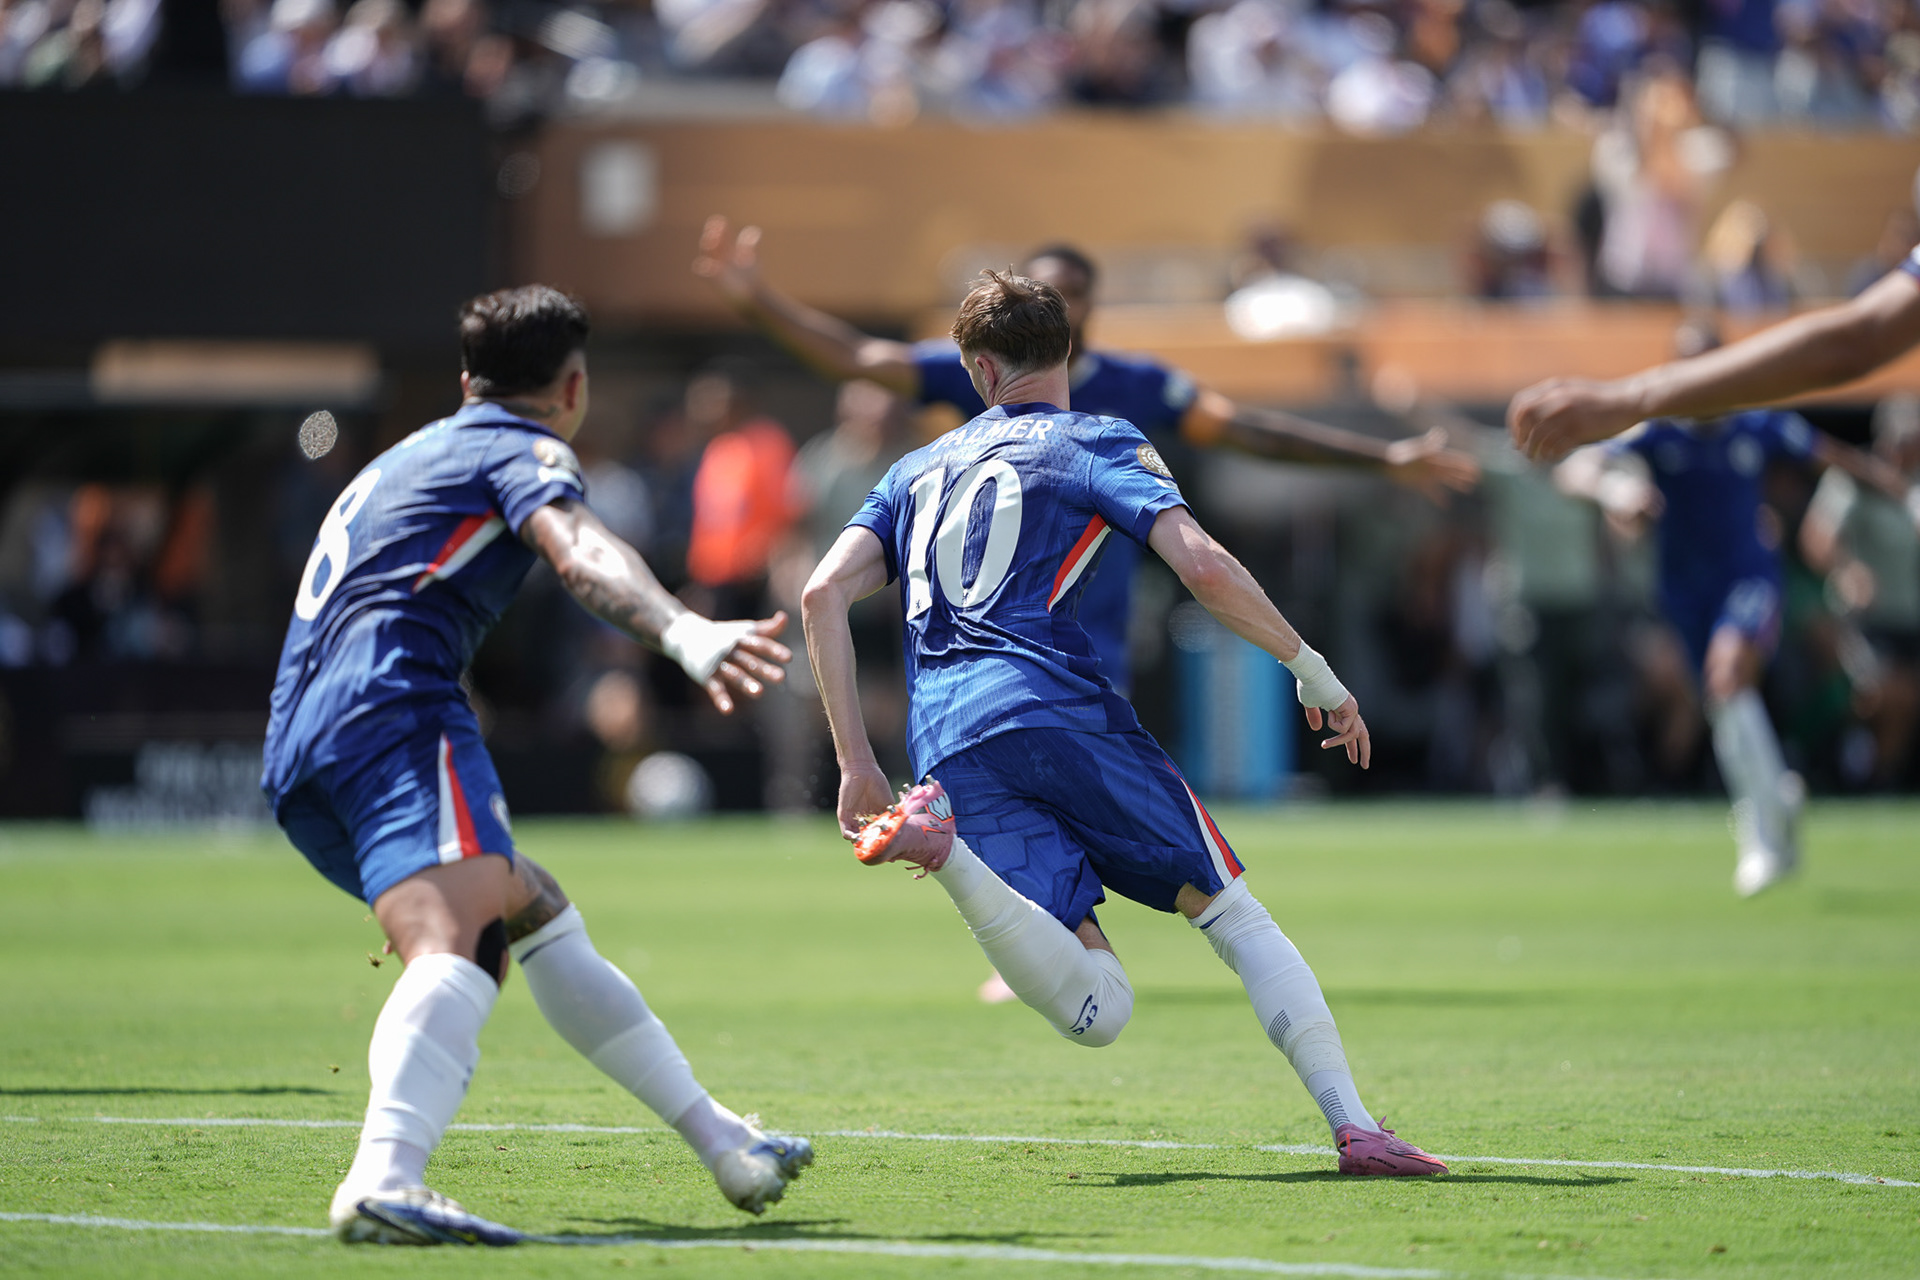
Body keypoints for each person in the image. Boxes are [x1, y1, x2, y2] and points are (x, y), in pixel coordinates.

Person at [801, 268, 1447, 1177]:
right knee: (1230, 913)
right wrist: (1313, 671)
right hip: (1053, 704)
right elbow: (1206, 567)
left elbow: (822, 589)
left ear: (978, 370)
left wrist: (855, 765)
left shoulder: (912, 469)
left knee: (1099, 1010)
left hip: (943, 739)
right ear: (1067, 350)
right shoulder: (1098, 437)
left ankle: (938, 849)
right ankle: (1354, 1126)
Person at [261, 286, 813, 1246]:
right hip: (393, 713)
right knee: (463, 941)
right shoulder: (521, 447)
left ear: (468, 378)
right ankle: (385, 1178)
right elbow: (576, 548)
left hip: (301, 735)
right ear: (573, 386)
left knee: (528, 905)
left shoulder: (411, 453)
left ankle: (723, 1138)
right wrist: (683, 631)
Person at [695, 216, 1481, 696]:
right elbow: (860, 358)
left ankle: (1073, 951)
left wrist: (1382, 458)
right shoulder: (975, 371)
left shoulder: (1136, 385)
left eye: (1068, 290)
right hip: (990, 619)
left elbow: (1250, 430)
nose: (1054, 302)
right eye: (1041, 288)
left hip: (1093, 623)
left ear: (1091, 303)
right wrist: (759, 303)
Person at [1552, 321, 1909, 895]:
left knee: (1727, 674)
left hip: (1748, 580)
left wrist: (1903, 492)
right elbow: (1577, 469)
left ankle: (1762, 835)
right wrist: (1614, 491)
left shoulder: (1757, 424)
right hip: (1683, 592)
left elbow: (1834, 458)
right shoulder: (1658, 432)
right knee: (1723, 703)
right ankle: (1776, 797)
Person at [1509, 233, 1920, 463]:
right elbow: (1589, 465)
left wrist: (1629, 396)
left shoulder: (1756, 423)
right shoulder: (1657, 430)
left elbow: (1855, 345)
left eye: (1704, 359)